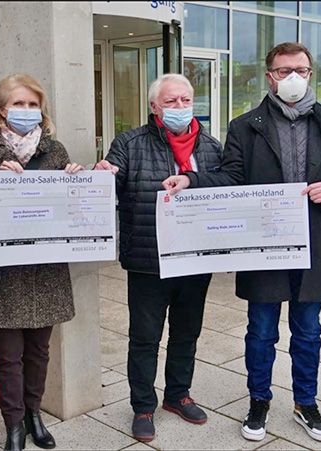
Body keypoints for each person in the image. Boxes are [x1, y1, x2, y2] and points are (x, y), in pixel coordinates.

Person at [163, 43, 321, 442]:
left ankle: (306, 403)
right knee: (261, 331)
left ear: (311, 73)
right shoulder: (245, 125)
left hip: (314, 244)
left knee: (309, 332)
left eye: (300, 70)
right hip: (263, 245)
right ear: (269, 76)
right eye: (283, 71)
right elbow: (230, 175)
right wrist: (192, 180)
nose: (292, 78)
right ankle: (259, 401)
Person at [95, 73, 223, 443]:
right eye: (171, 102)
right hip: (148, 261)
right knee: (145, 337)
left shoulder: (212, 148)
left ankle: (178, 395)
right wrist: (102, 175)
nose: (180, 107)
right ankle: (143, 406)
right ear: (154, 107)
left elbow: (229, 187)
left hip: (195, 261)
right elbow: (110, 185)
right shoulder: (130, 143)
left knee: (187, 333)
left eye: (185, 100)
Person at [0, 73, 83, 451]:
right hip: (2, 270)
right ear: (0, 109)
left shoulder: (55, 151)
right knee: (8, 355)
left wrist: (75, 184)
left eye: (33, 105)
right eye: (18, 104)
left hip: (44, 269)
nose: (27, 111)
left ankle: (34, 414)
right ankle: (13, 423)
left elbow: (69, 210)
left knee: (39, 351)